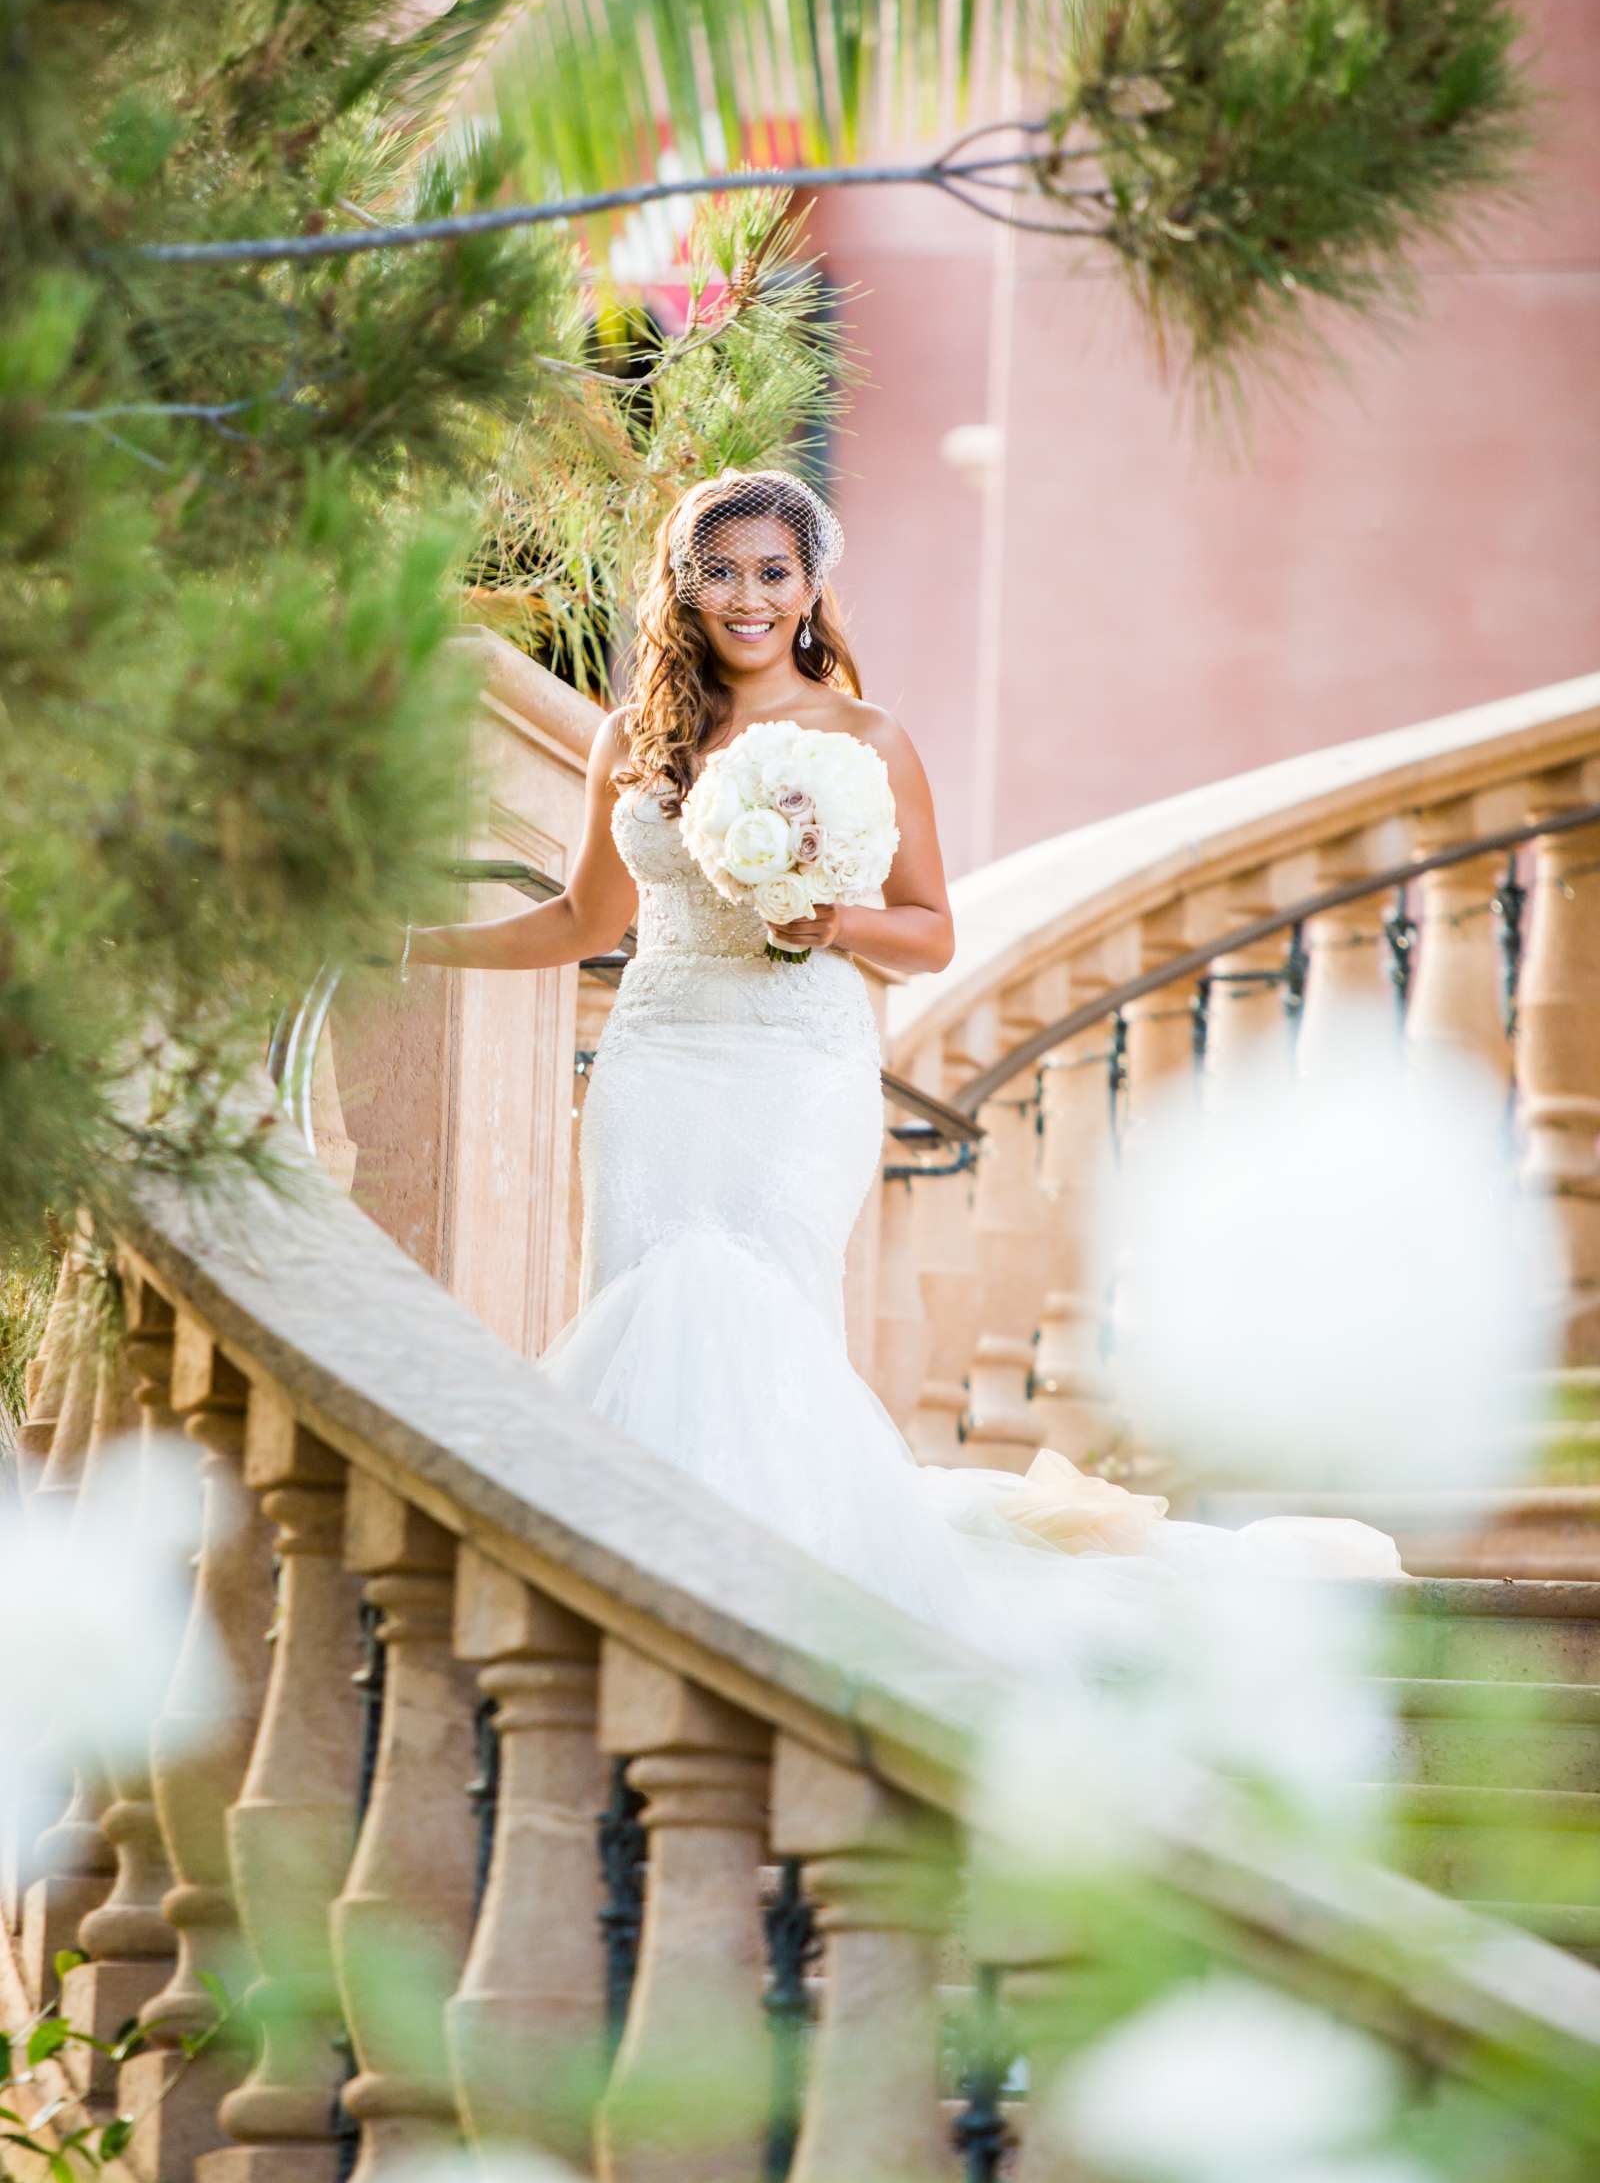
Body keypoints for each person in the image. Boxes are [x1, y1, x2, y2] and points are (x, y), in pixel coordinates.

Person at [402, 469, 1400, 1668]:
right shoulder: (632, 735)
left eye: (773, 571)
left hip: (796, 1064)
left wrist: (830, 922)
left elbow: (930, 930)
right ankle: (622, 1596)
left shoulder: (865, 738)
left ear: (813, 585)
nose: (747, 596)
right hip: (658, 1056)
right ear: (683, 583)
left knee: (760, 1305)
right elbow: (576, 921)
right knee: (643, 1288)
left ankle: (775, 1610)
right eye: (719, 570)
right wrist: (412, 941)